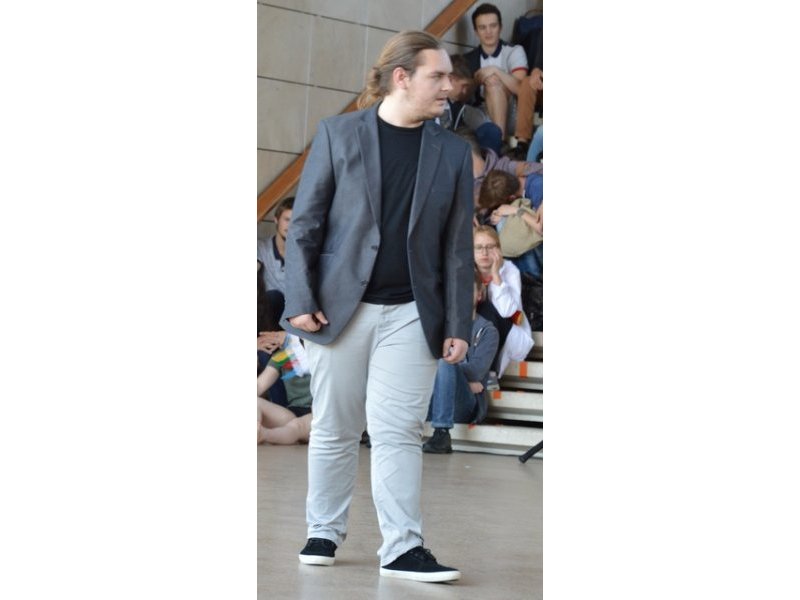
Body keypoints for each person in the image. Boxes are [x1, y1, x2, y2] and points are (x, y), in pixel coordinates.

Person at [281, 30, 474, 583]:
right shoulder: (339, 133)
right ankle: (323, 531)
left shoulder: (452, 152)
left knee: (398, 430)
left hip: (414, 312)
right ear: (402, 77)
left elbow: (457, 246)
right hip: (338, 311)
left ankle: (402, 547)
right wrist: (300, 299)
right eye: (438, 76)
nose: (450, 86)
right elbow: (305, 226)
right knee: (335, 427)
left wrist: (458, 322)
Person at [423, 269, 499, 454]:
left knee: (445, 363)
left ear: (479, 295)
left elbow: (477, 370)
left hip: (462, 404)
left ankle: (442, 433)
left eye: (467, 290)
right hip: (428, 399)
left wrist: (451, 372)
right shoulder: (435, 327)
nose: (461, 296)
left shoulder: (487, 331)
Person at [473, 225, 533, 376]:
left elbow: (508, 312)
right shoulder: (466, 271)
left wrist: (496, 275)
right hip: (476, 334)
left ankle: (490, 373)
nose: (484, 252)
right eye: (478, 247)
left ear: (498, 249)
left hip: (509, 332)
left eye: (490, 247)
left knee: (485, 308)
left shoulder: (510, 271)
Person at [462, 3, 529, 140]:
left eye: (493, 26)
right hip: (481, 111)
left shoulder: (515, 51)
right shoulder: (468, 58)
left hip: (511, 111)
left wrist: (495, 71)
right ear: (476, 32)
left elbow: (521, 89)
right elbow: (463, 95)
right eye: (482, 27)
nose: (488, 32)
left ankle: (499, 142)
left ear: (500, 27)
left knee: (493, 83)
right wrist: (476, 81)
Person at [438, 54, 502, 156]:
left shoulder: (461, 105)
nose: (465, 91)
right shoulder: (434, 102)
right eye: (463, 86)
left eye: (467, 87)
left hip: (461, 147)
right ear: (450, 80)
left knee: (491, 130)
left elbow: (487, 126)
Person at [257, 197, 293, 294]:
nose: (291, 226)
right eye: (287, 220)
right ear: (276, 220)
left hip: (297, 302)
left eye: (295, 221)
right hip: (270, 300)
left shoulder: (305, 251)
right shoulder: (262, 247)